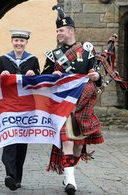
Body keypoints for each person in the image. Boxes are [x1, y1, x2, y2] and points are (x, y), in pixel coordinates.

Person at [42, 6, 104, 195]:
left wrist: (96, 78)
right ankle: (70, 180)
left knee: (78, 146)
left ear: (71, 31)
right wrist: (54, 74)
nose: (59, 34)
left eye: (61, 30)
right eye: (57, 31)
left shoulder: (87, 51)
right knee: (67, 141)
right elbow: (42, 79)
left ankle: (69, 171)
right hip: (63, 104)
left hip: (82, 105)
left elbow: (95, 73)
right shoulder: (53, 55)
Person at [0, 29, 40, 191]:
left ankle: (18, 177)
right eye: (16, 40)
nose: (18, 43)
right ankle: (10, 175)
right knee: (9, 140)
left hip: (26, 107)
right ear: (12, 42)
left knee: (21, 142)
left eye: (22, 41)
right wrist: (2, 75)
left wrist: (33, 74)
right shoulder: (3, 59)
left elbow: (39, 82)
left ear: (26, 43)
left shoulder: (33, 60)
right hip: (8, 106)